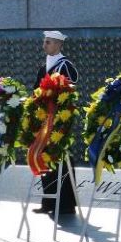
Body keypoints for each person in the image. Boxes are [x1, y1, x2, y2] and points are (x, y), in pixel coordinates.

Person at [32, 30, 79, 215]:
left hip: (59, 120)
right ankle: (49, 201)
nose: (45, 45)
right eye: (44, 42)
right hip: (44, 119)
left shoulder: (65, 65)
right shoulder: (43, 67)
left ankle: (66, 204)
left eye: (49, 42)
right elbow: (35, 91)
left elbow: (70, 86)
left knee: (60, 158)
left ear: (59, 45)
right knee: (45, 157)